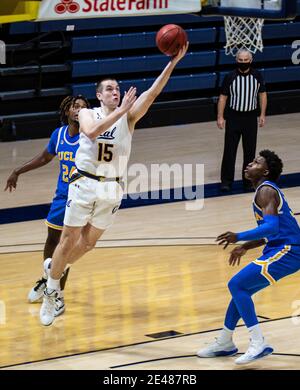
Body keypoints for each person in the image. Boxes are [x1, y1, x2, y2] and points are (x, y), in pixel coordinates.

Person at [39, 43, 189, 326]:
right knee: (68, 239)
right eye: (109, 88)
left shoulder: (129, 116)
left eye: (117, 88)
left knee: (88, 244)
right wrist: (120, 110)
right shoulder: (87, 113)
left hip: (112, 188)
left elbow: (153, 92)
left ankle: (53, 271)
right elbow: (93, 132)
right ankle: (51, 291)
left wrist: (173, 62)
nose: (115, 91)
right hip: (84, 184)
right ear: (99, 95)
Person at [197, 150, 300, 365]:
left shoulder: (265, 191)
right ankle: (225, 341)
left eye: (255, 162)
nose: (249, 164)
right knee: (241, 289)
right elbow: (272, 231)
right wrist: (246, 246)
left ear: (266, 171)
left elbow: (271, 228)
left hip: (289, 250)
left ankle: (257, 342)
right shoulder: (264, 192)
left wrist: (238, 237)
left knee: (237, 284)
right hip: (281, 248)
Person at [5, 95, 90, 315]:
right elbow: (44, 158)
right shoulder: (59, 135)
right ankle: (48, 278)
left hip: (81, 198)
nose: (78, 110)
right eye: (75, 106)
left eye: (83, 107)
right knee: (51, 240)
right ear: (67, 111)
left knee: (66, 246)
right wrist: (17, 171)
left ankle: (58, 296)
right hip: (61, 198)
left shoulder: (90, 137)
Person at [217, 49, 267, 192]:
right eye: (241, 60)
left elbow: (262, 95)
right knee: (229, 151)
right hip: (233, 117)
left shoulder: (257, 76)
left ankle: (248, 182)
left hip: (250, 118)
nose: (243, 62)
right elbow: (223, 97)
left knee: (250, 153)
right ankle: (226, 181)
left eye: (246, 60)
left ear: (250, 60)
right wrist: (220, 116)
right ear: (236, 60)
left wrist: (262, 114)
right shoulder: (230, 77)